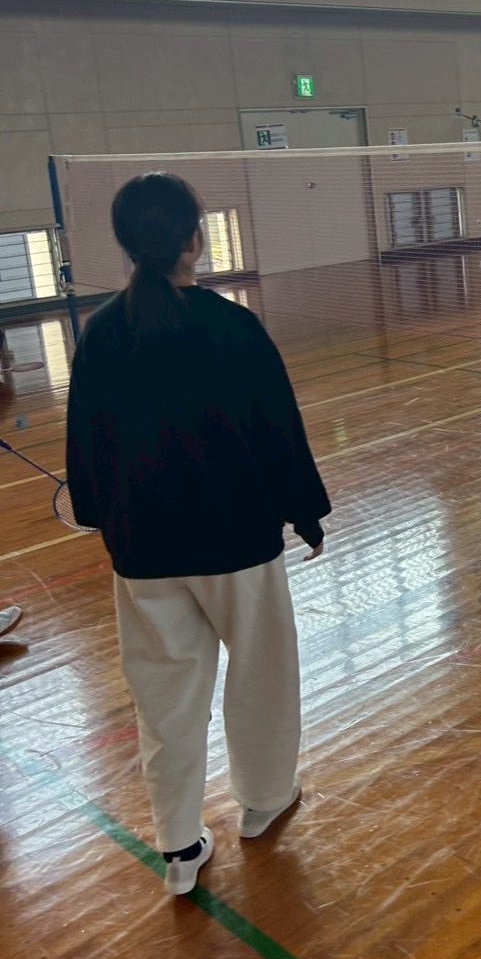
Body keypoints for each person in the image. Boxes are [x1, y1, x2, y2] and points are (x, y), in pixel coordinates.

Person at [66, 173, 331, 894]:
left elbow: (86, 445)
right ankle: (265, 799)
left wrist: (104, 518)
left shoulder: (100, 336)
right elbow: (278, 430)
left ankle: (180, 847)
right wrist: (305, 510)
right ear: (193, 240)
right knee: (261, 673)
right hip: (237, 546)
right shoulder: (233, 328)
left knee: (164, 698)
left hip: (144, 552)